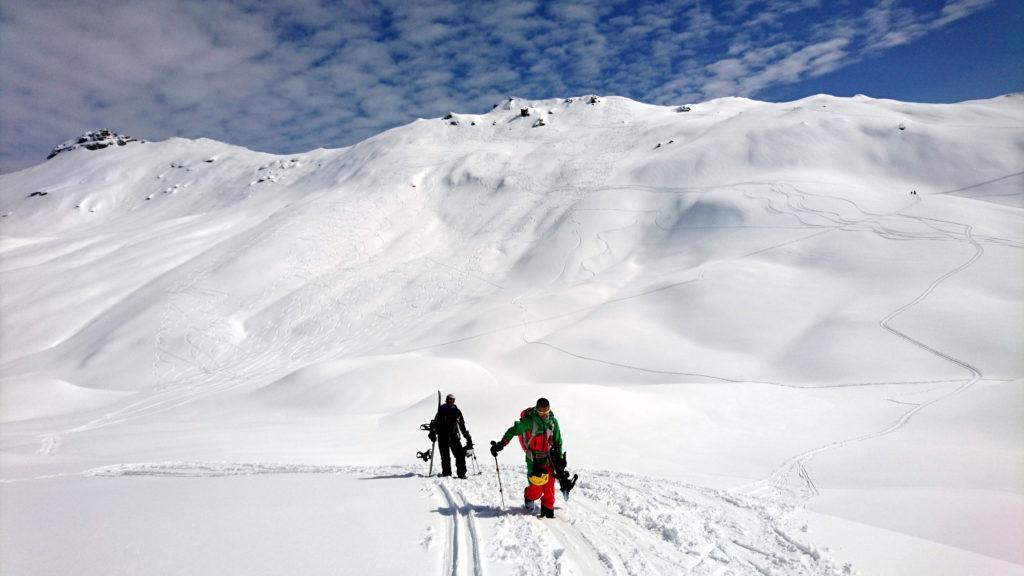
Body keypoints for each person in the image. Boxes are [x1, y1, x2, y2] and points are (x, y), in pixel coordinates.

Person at [489, 397, 566, 518]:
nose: (544, 415)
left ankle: (548, 512)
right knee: (536, 491)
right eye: (541, 412)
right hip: (533, 459)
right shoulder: (529, 421)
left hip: (549, 458)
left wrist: (560, 459)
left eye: (546, 412)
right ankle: (528, 495)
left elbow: (558, 441)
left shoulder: (553, 422)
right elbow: (513, 430)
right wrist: (501, 444)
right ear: (536, 410)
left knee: (549, 489)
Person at [429, 393, 473, 478]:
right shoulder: (441, 410)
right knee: (445, 458)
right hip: (442, 437)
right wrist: (432, 433)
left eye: (452, 400)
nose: (450, 401)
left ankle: (461, 474)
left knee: (460, 455)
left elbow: (462, 425)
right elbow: (435, 424)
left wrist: (467, 437)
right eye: (449, 399)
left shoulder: (456, 411)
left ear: (454, 401)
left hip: (454, 437)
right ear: (446, 400)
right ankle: (447, 475)